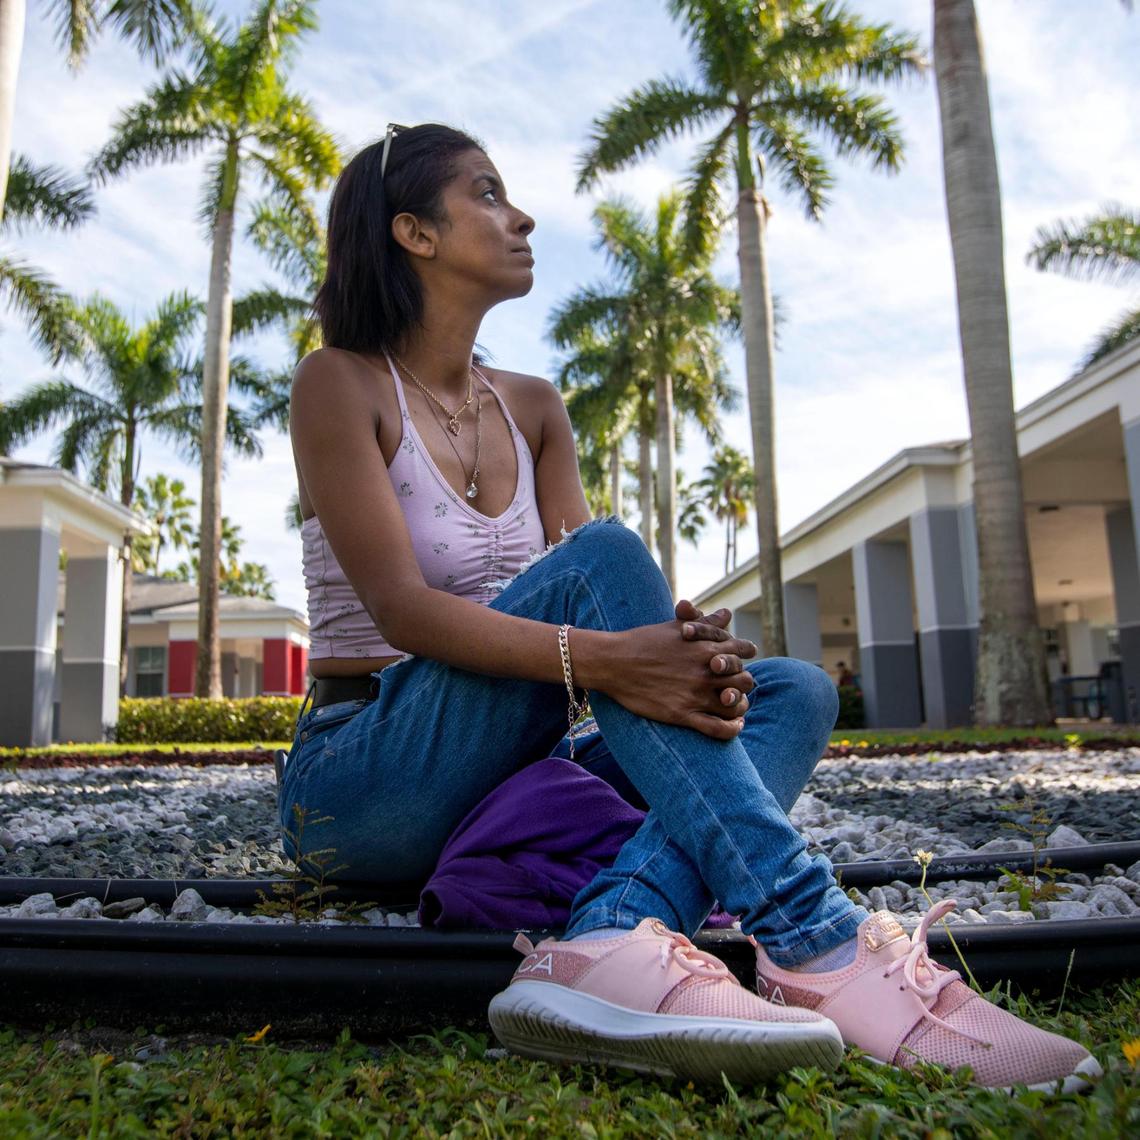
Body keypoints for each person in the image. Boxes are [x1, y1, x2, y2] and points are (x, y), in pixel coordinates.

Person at [282, 122, 1099, 1090]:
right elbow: (407, 612)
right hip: (362, 779)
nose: (524, 214)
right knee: (607, 560)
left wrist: (673, 649)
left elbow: (604, 615)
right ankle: (816, 934)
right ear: (414, 233)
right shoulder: (339, 382)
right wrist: (620, 656)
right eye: (489, 193)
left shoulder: (533, 406)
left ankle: (611, 933)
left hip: (515, 775)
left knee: (791, 690)